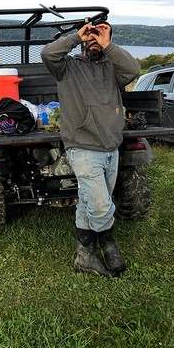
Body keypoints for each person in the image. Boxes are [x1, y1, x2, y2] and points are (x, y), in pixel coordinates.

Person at [41, 21, 141, 277]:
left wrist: (107, 44)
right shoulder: (67, 68)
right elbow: (48, 53)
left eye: (100, 36)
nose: (94, 40)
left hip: (111, 147)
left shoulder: (113, 69)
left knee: (88, 202)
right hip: (83, 147)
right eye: (91, 36)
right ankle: (109, 245)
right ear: (83, 41)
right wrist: (77, 36)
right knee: (100, 205)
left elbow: (134, 69)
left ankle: (84, 257)